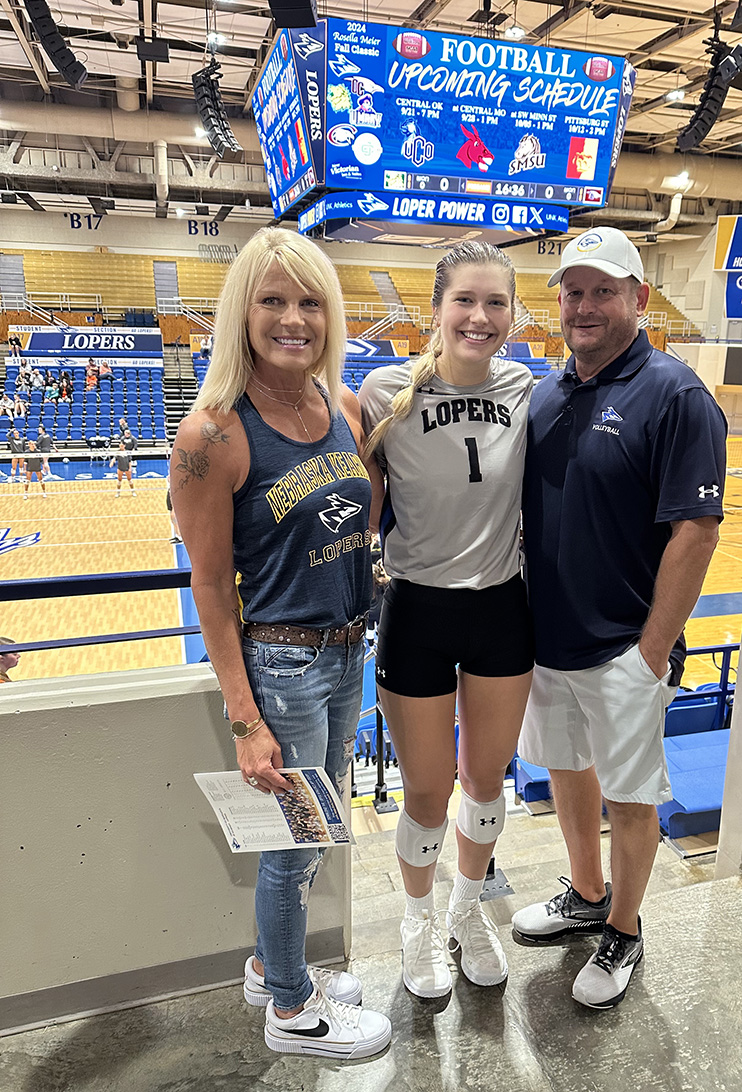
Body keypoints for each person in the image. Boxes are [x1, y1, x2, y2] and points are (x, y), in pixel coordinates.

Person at [170, 227, 391, 1060]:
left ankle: (274, 964)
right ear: (242, 312)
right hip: (282, 663)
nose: (292, 318)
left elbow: (361, 519)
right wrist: (245, 720)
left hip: (344, 655)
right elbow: (210, 592)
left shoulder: (342, 407)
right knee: (294, 841)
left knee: (318, 829)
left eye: (309, 302)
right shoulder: (211, 436)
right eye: (272, 300)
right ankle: (293, 1013)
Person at [511, 228, 727, 1010]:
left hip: (624, 649)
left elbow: (696, 533)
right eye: (573, 291)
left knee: (631, 799)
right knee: (567, 772)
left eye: (604, 290)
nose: (585, 305)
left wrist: (651, 651)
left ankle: (625, 931)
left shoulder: (676, 395)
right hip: (550, 640)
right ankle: (586, 892)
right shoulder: (545, 394)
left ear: (640, 299)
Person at [358, 242, 534, 999]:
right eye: (465, 299)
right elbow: (356, 502)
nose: (480, 316)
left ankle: (468, 914)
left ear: (513, 315)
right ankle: (418, 922)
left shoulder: (529, 385)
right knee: (428, 792)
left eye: (496, 302)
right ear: (435, 310)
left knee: (486, 782)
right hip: (417, 607)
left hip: (501, 608)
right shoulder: (381, 390)